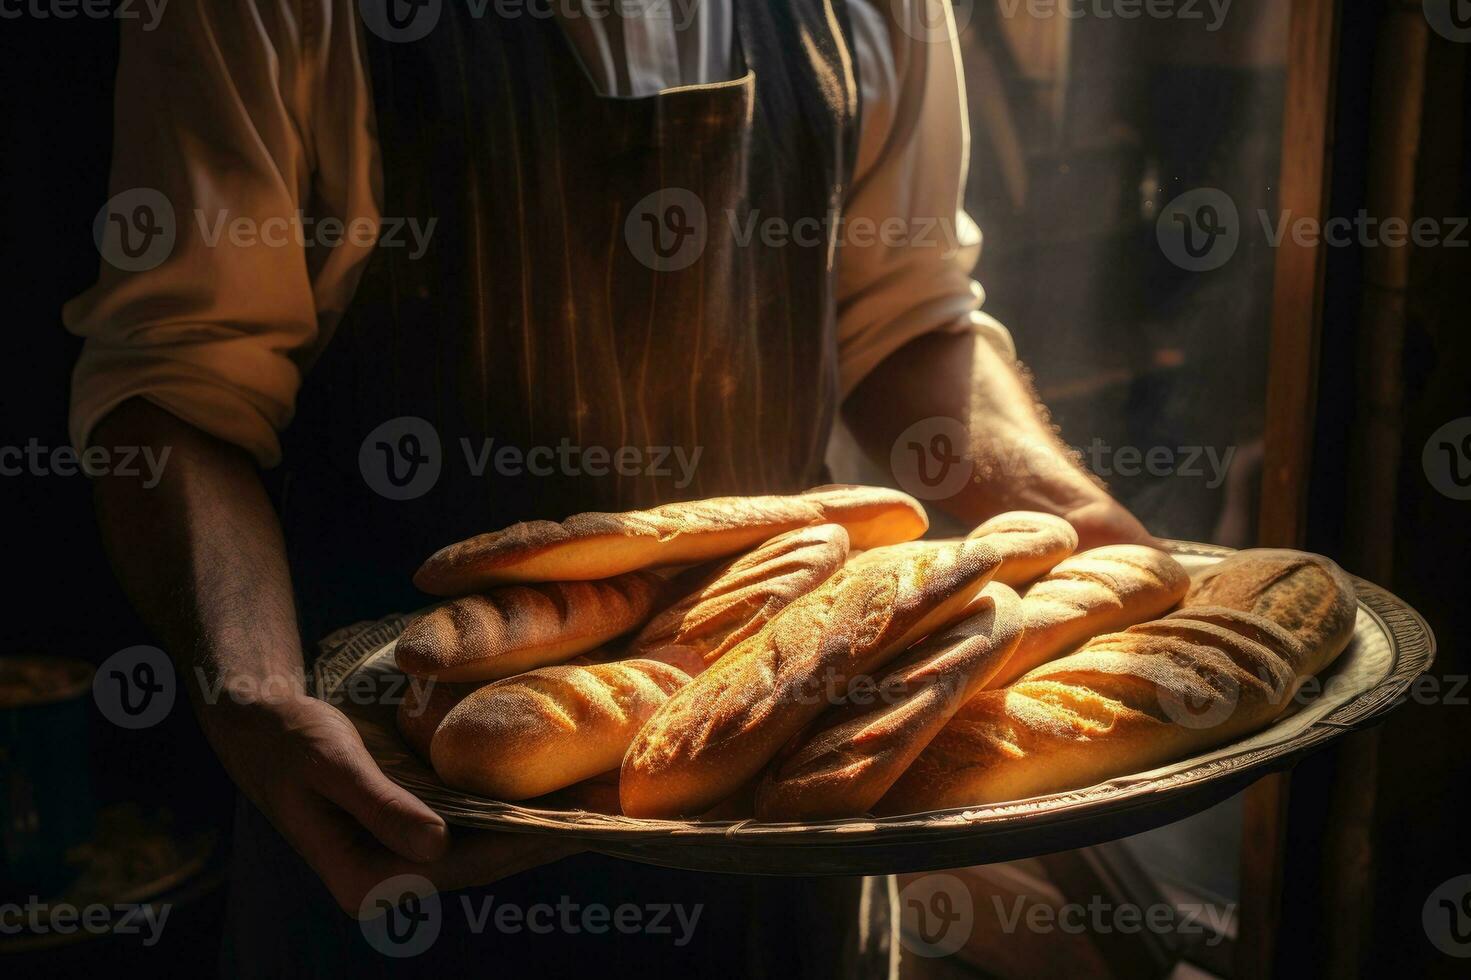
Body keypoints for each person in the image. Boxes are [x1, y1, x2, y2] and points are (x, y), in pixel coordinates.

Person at [68, 1, 1150, 976]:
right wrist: (253, 690)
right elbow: (180, 389)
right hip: (395, 819)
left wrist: (1082, 522)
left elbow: (904, 317)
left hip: (784, 838)